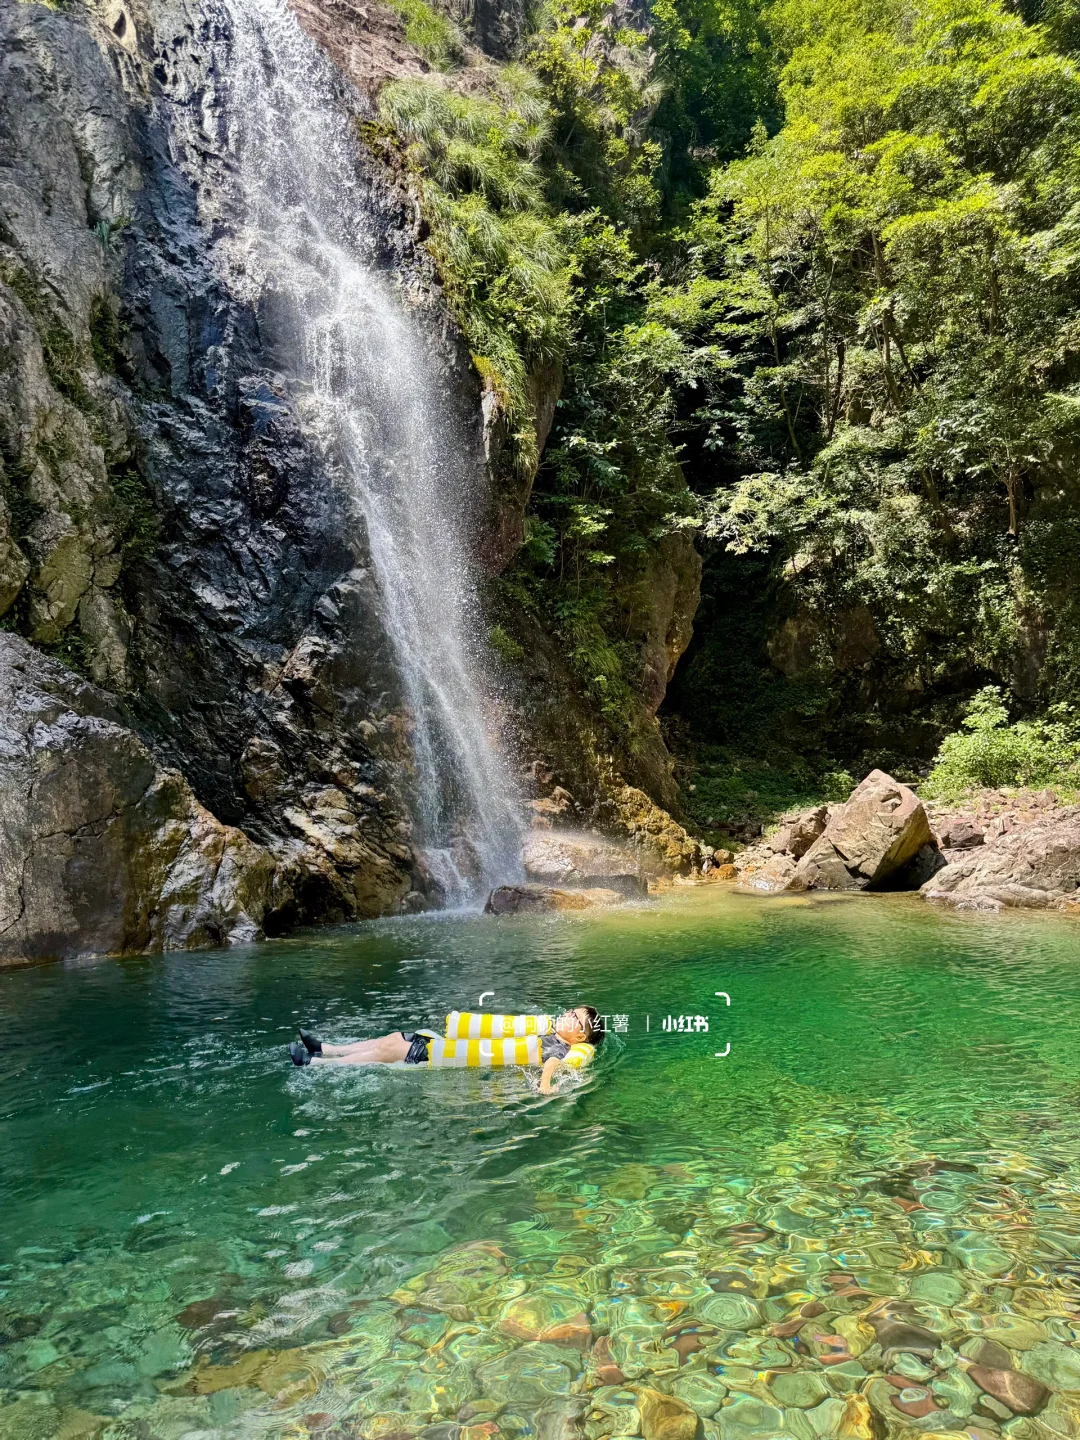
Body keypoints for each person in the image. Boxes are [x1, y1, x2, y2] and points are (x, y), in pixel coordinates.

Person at [289, 1006, 603, 1093]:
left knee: (388, 1049)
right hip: (452, 1045)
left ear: (580, 1036)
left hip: (448, 1056)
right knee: (394, 1036)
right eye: (570, 1011)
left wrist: (545, 1085)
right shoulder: (546, 1031)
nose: (567, 1015)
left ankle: (316, 1064)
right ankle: (327, 1048)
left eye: (574, 1018)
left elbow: (552, 1064)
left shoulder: (558, 1047)